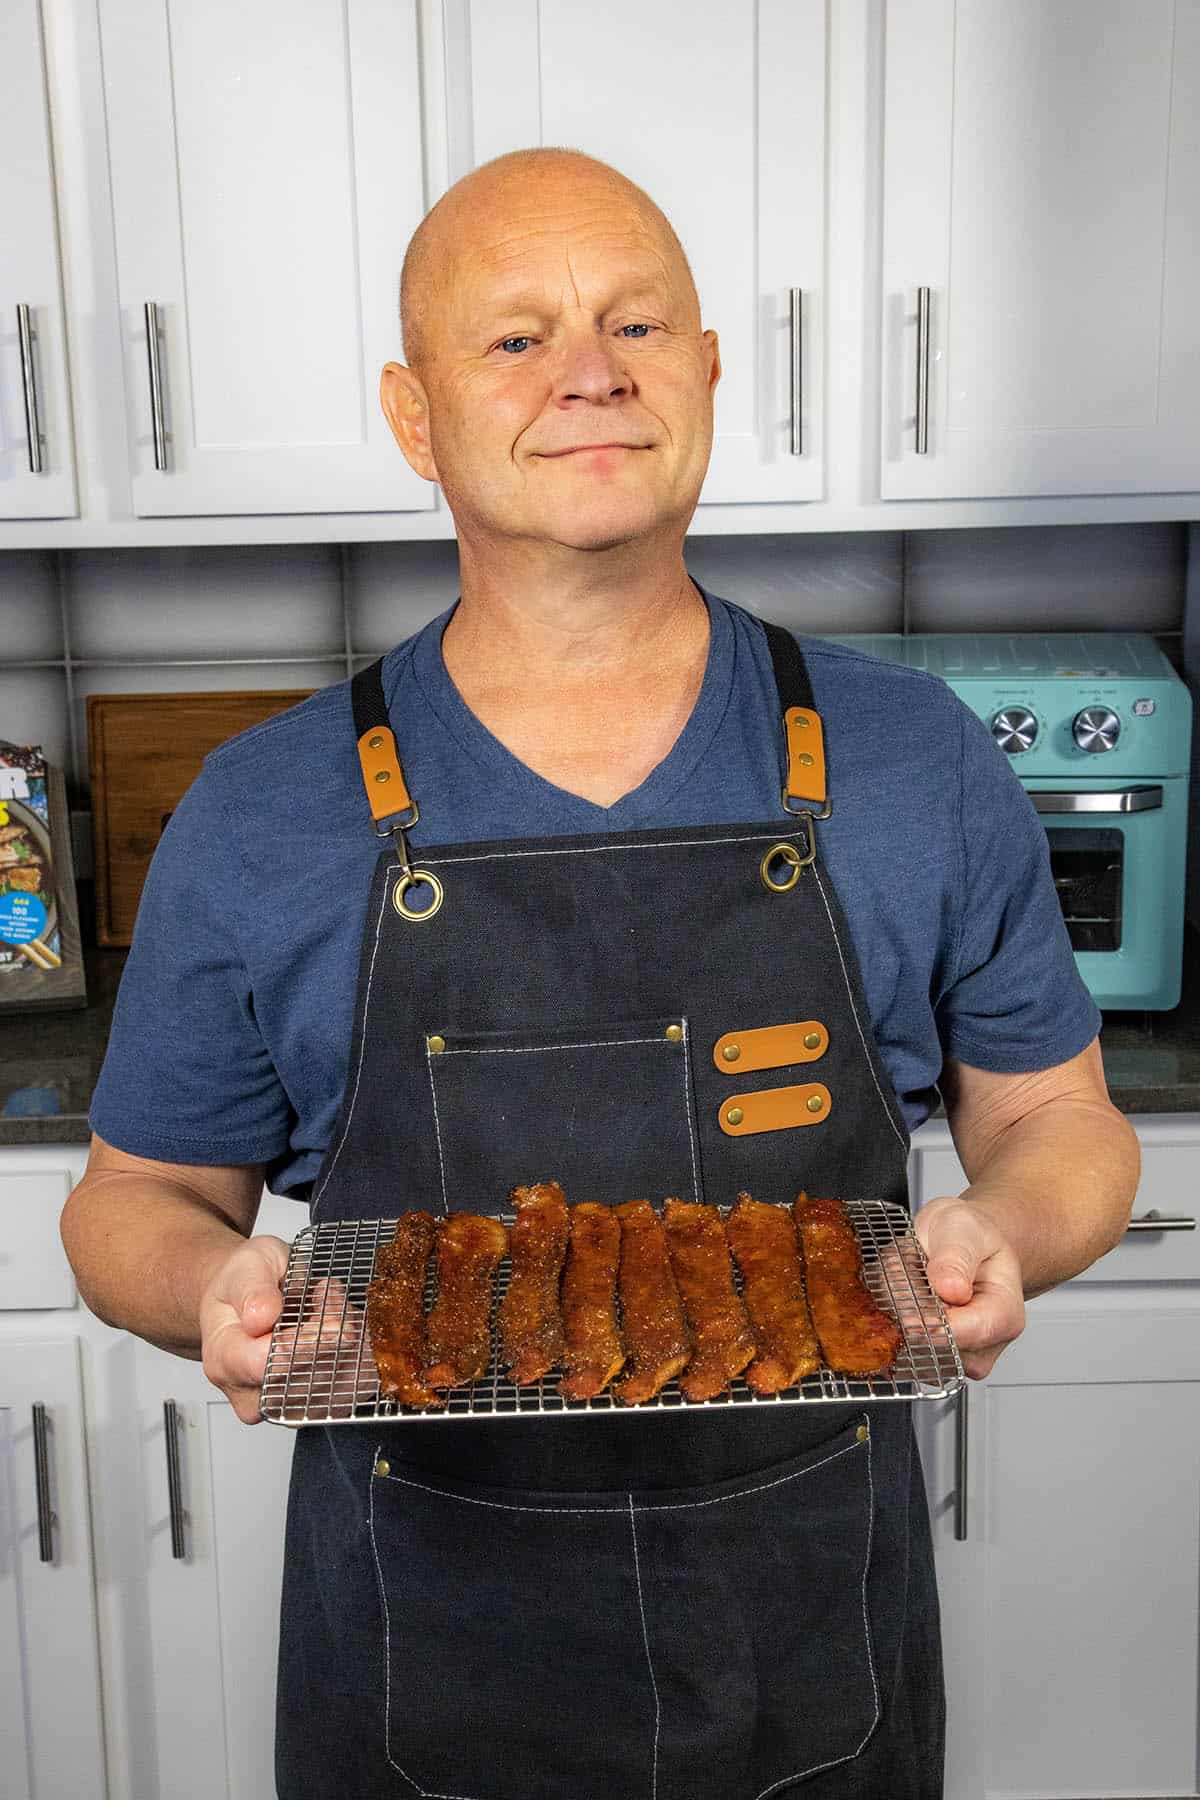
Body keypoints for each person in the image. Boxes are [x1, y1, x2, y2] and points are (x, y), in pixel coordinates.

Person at [62, 147, 1139, 1799]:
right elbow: (131, 1194)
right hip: (422, 1650)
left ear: (706, 373)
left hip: (813, 1645)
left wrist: (1013, 1226)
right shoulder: (261, 808)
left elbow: (1064, 1120)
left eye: (638, 321)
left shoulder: (914, 761)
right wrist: (208, 1290)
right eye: (515, 338)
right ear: (415, 418)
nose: (590, 370)